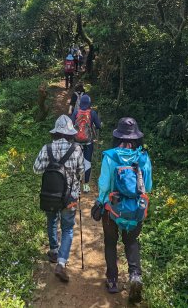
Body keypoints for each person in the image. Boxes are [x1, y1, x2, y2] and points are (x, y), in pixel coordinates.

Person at [93, 117, 152, 303]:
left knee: (111, 243)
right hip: (136, 209)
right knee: (131, 241)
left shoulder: (110, 156)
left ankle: (112, 281)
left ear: (117, 136)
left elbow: (104, 185)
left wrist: (100, 203)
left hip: (112, 208)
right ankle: (135, 276)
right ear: (136, 138)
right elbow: (147, 186)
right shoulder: (143, 157)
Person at [33, 115, 84, 282]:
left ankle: (53, 251)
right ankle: (61, 263)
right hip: (70, 197)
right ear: (70, 133)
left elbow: (37, 169)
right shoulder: (76, 149)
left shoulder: (46, 148)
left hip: (50, 195)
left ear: (55, 132)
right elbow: (81, 172)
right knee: (68, 228)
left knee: (52, 221)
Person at [71, 94, 101, 193]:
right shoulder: (92, 113)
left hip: (76, 142)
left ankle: (77, 184)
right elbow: (98, 126)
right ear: (89, 103)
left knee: (76, 162)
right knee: (87, 163)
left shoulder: (76, 112)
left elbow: (70, 125)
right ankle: (86, 186)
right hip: (88, 142)